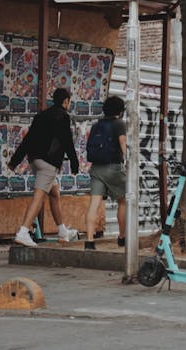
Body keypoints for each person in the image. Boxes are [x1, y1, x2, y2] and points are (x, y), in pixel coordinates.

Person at [8, 87, 79, 247]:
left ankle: (62, 231)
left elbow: (28, 139)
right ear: (65, 101)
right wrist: (75, 163)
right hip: (48, 163)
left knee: (54, 193)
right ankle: (23, 232)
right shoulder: (63, 116)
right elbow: (67, 141)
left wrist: (15, 160)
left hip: (35, 161)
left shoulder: (41, 116)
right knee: (38, 197)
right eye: (69, 101)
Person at [84, 96, 127, 251]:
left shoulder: (96, 126)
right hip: (114, 168)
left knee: (93, 205)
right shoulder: (119, 124)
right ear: (120, 111)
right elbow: (123, 143)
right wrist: (128, 161)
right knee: (123, 202)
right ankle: (122, 237)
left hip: (96, 168)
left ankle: (89, 241)